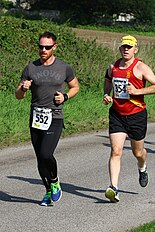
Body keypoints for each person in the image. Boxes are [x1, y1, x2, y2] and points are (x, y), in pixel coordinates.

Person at [15, 31, 79, 206]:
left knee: (46, 153)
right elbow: (18, 95)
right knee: (39, 159)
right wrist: (23, 89)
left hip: (55, 116)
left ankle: (55, 181)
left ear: (54, 47)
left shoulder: (64, 67)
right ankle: (48, 192)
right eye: (40, 47)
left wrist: (65, 97)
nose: (43, 50)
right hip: (36, 117)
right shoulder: (30, 68)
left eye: (47, 47)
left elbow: (75, 87)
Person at [103, 35, 155, 203]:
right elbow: (108, 80)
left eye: (129, 47)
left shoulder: (141, 67)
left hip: (136, 115)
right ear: (120, 49)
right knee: (116, 151)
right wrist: (106, 95)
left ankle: (142, 167)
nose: (126, 49)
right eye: (123, 47)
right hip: (117, 114)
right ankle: (114, 188)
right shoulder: (113, 66)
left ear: (135, 49)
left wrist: (137, 91)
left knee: (138, 152)